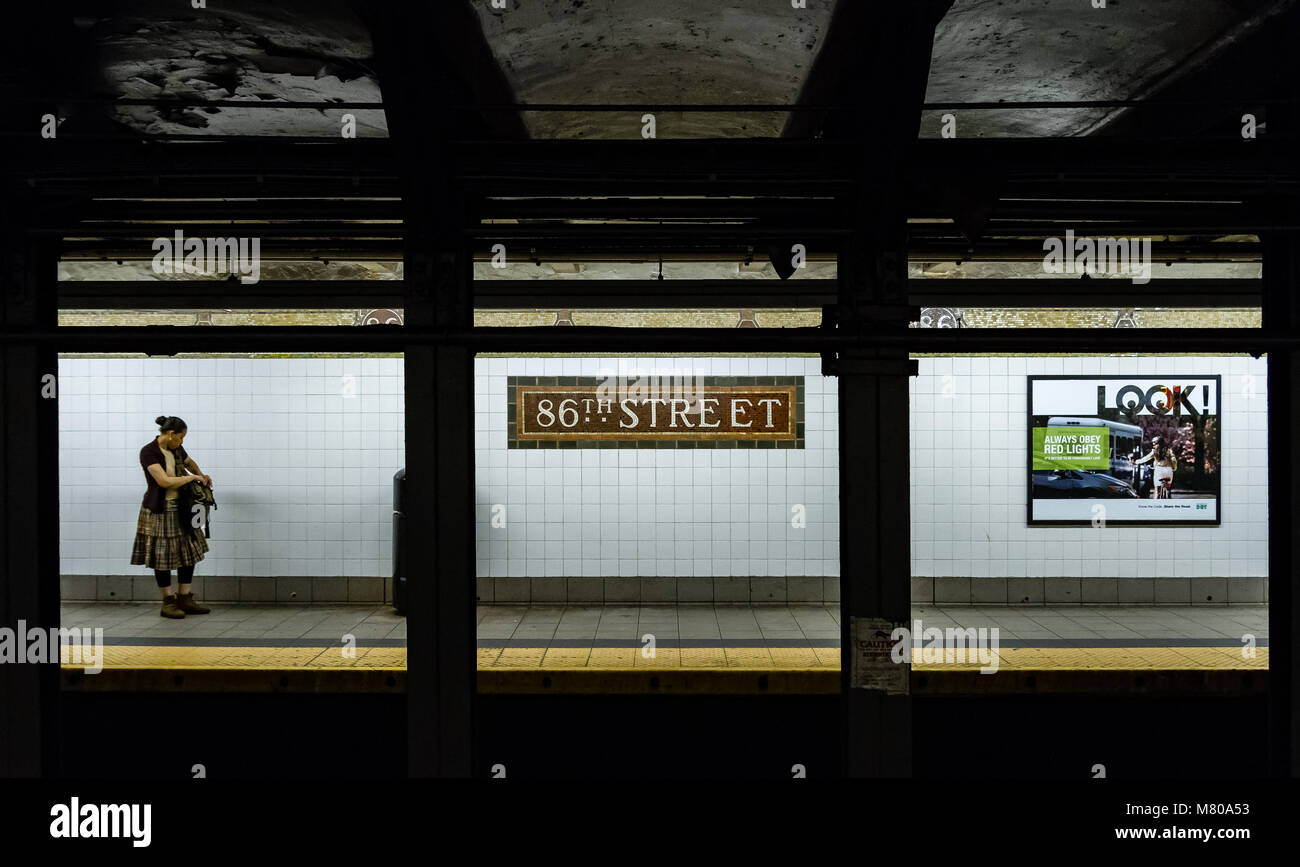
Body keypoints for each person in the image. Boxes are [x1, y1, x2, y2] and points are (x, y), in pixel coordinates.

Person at [129, 415, 213, 618]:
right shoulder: (149, 452)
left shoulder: (176, 448)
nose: (182, 442)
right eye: (180, 437)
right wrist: (191, 478)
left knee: (188, 552)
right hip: (160, 509)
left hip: (183, 507)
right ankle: (168, 602)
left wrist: (201, 475)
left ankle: (185, 598)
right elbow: (164, 482)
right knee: (162, 556)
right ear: (169, 434)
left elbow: (188, 461)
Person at [1133, 435, 1178, 499]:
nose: (1153, 446)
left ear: (1159, 444)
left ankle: (1156, 504)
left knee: (1157, 490)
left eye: (1154, 444)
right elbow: (1173, 460)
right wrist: (1174, 467)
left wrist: (1136, 462)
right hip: (1168, 471)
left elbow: (1146, 458)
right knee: (1167, 488)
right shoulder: (1169, 450)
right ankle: (1167, 500)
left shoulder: (1154, 452)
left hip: (1159, 471)